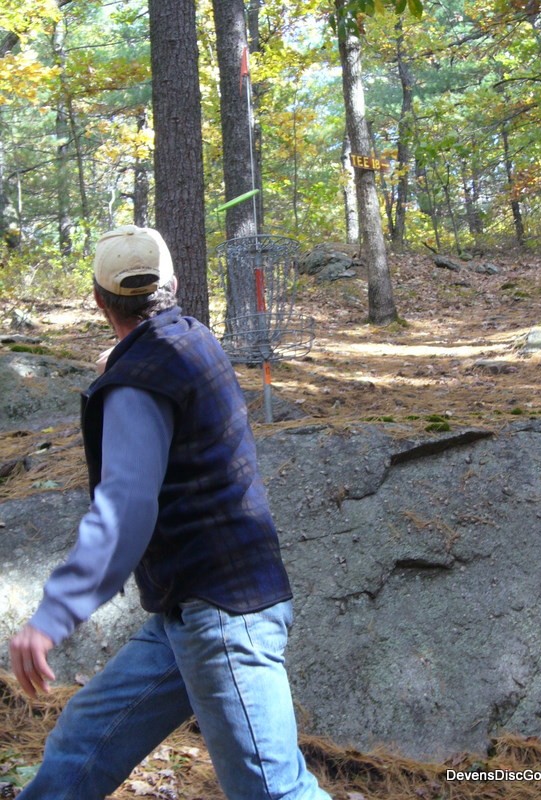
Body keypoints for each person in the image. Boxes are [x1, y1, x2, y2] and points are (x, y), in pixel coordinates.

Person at [9, 225, 331, 800]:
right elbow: (157, 358)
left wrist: (53, 616)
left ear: (98, 300)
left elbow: (124, 513)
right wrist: (123, 364)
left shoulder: (138, 383)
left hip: (223, 620)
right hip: (194, 610)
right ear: (174, 287)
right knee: (84, 741)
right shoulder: (193, 339)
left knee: (273, 791)